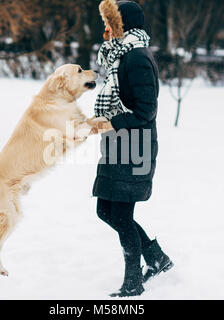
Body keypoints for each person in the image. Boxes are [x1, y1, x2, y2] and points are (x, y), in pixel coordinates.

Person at [91, 0, 173, 297]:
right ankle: (157, 258)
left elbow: (146, 111)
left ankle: (133, 282)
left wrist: (110, 122)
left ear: (122, 24)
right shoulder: (120, 55)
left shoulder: (136, 57)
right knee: (105, 210)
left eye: (110, 21)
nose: (106, 27)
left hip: (134, 147)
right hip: (119, 145)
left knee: (121, 215)